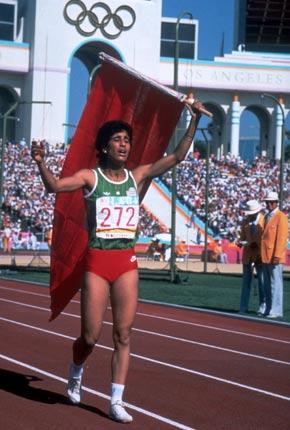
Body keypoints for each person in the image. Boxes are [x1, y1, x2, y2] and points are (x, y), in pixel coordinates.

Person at [31, 97, 203, 423]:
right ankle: (77, 368)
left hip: (126, 261)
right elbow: (54, 186)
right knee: (90, 337)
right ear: (105, 146)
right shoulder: (89, 178)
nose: (124, 145)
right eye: (118, 140)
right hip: (97, 261)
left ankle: (116, 400)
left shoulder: (136, 176)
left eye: (127, 140)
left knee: (123, 335)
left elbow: (179, 156)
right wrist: (40, 162)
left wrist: (193, 118)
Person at [261, 191, 288, 318]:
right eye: (267, 202)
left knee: (276, 283)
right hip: (266, 255)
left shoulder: (281, 216)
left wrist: (277, 255)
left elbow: (282, 237)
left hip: (275, 256)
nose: (269, 204)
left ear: (276, 203)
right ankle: (268, 308)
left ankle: (276, 310)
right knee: (267, 284)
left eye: (271, 202)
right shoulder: (267, 216)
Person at [237, 199, 265, 314]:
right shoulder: (245, 222)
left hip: (260, 256)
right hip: (247, 256)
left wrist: (256, 244)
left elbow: (266, 239)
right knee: (246, 283)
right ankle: (243, 307)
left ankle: (263, 307)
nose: (250, 216)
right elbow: (242, 237)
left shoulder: (265, 220)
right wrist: (240, 242)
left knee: (262, 283)